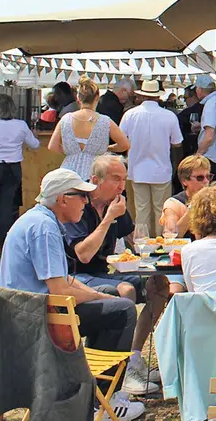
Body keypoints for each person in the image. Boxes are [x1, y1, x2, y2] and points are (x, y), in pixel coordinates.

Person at [0, 168, 146, 420]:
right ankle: (103, 400)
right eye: (81, 196)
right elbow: (60, 291)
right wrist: (105, 299)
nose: (86, 202)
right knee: (123, 310)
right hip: (38, 322)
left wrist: (102, 296)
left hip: (28, 313)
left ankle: (88, 392)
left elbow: (62, 278)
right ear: (62, 199)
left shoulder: (40, 219)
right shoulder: (45, 228)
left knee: (110, 294)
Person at [62, 155, 170, 395]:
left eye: (123, 179)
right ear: (95, 180)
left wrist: (160, 248)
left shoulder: (118, 203)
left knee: (160, 285)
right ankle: (118, 372)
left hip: (104, 273)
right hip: (75, 276)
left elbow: (134, 239)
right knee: (126, 291)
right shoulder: (80, 205)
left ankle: (133, 357)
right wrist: (109, 217)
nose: (121, 185)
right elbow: (83, 255)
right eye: (115, 179)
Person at [120, 79, 182, 238]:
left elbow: (121, 140)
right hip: (161, 169)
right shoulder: (169, 116)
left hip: (137, 169)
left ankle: (143, 246)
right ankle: (162, 244)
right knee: (161, 210)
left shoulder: (130, 115)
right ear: (158, 97)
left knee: (141, 211)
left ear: (142, 96)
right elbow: (177, 142)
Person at [0, 93, 41, 248]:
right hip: (14, 168)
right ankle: (5, 242)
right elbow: (35, 144)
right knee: (8, 205)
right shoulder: (21, 125)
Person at [49, 76, 130, 179]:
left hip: (68, 171)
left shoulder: (66, 119)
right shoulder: (105, 121)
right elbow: (125, 144)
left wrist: (70, 151)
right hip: (95, 171)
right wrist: (106, 148)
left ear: (78, 98)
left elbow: (53, 146)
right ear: (97, 97)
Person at [160, 155, 213, 239]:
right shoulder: (173, 204)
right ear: (184, 181)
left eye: (208, 177)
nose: (206, 181)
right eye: (200, 178)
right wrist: (193, 206)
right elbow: (172, 236)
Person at [175, 85, 204, 160]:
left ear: (194, 96)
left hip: (192, 151)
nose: (184, 101)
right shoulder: (210, 106)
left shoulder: (186, 113)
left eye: (185, 98)